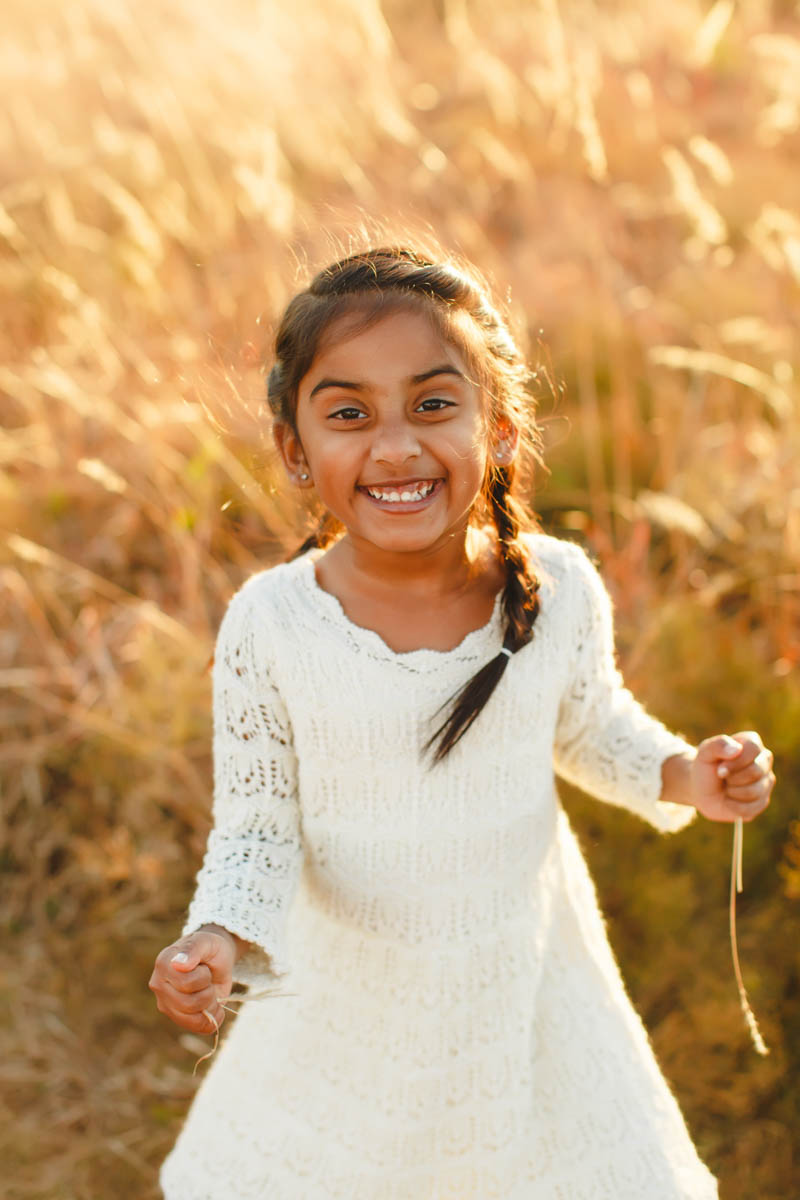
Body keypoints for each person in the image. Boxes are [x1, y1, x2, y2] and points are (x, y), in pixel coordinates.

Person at [150, 246, 775, 1199]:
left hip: (517, 978)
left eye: (434, 405)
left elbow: (591, 728)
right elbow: (257, 825)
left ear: (502, 429)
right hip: (349, 995)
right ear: (295, 449)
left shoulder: (557, 588)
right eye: (350, 414)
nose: (396, 447)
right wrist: (217, 939)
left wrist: (690, 775)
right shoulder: (272, 625)